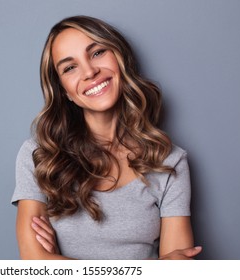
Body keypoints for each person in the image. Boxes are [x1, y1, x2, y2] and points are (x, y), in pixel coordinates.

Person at [11, 15, 202, 260]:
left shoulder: (169, 162)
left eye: (97, 52)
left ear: (120, 59)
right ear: (64, 91)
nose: (89, 72)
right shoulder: (39, 156)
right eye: (70, 68)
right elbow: (34, 264)